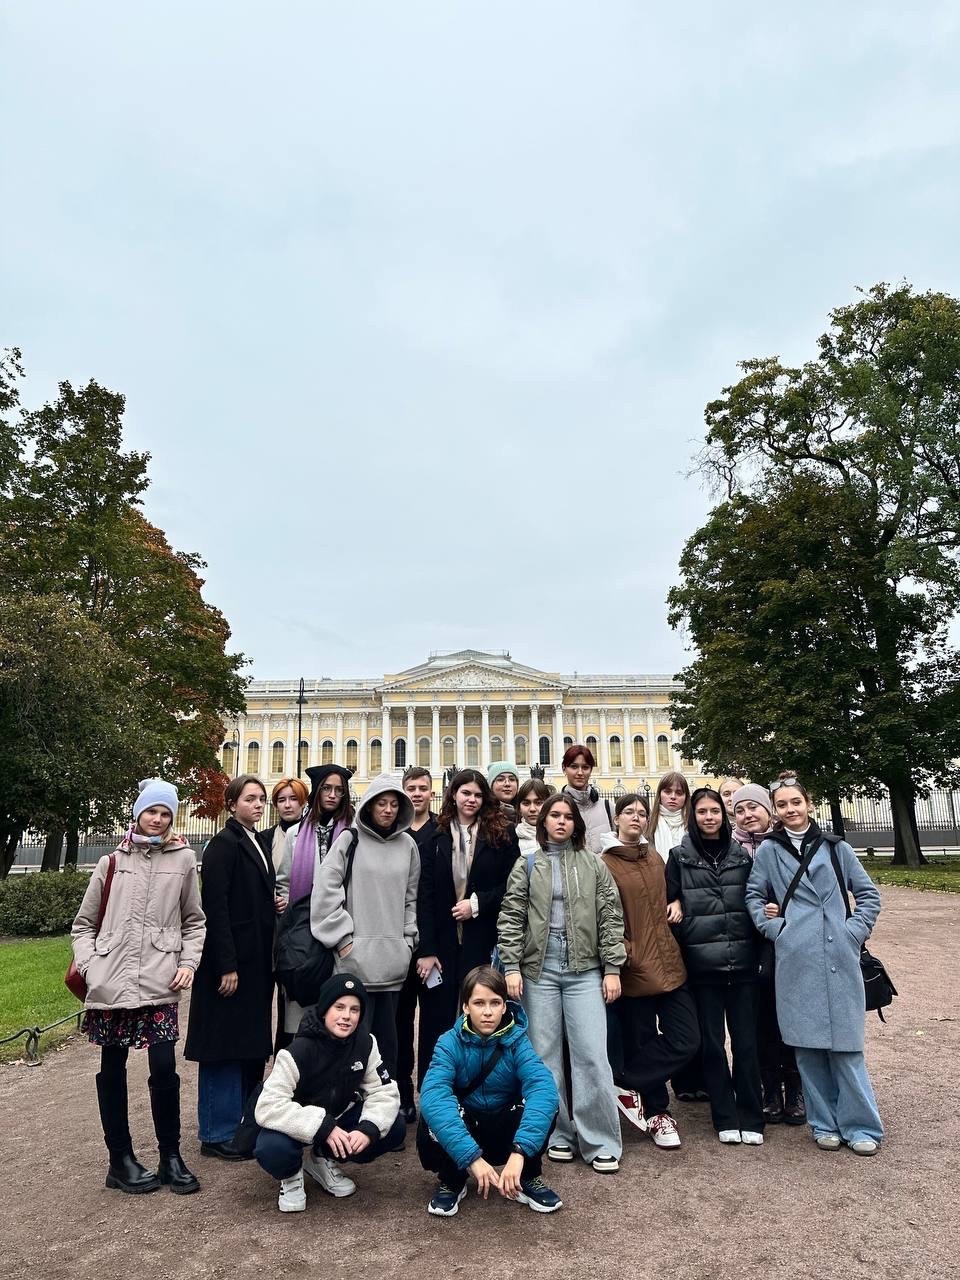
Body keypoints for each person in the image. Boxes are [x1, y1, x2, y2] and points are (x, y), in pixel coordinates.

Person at [71, 779, 206, 1195]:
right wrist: (91, 967)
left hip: (159, 978)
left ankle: (170, 1156)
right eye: (152, 811)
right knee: (112, 1068)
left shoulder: (184, 859)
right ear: (138, 813)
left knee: (164, 1067)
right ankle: (120, 1160)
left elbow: (194, 921)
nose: (158, 819)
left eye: (166, 813)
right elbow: (83, 925)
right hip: (111, 981)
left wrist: (188, 962)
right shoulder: (111, 862)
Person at [746, 773, 883, 1155]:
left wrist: (853, 931)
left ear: (809, 804)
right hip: (797, 957)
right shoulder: (770, 851)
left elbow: (868, 895)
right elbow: (754, 895)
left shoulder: (837, 848)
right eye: (783, 805)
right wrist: (777, 929)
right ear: (776, 811)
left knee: (847, 1049)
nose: (790, 809)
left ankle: (861, 1125)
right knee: (807, 1051)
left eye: (796, 802)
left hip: (838, 953)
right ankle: (824, 1122)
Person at [497, 793, 626, 1172]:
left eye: (568, 816)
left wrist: (613, 968)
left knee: (592, 1055)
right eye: (554, 815)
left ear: (576, 824)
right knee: (544, 1057)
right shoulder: (527, 864)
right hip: (540, 969)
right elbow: (512, 915)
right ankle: (556, 1133)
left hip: (584, 969)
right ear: (544, 822)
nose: (561, 821)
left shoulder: (593, 863)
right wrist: (511, 965)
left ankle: (599, 1139)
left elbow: (610, 914)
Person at [418, 965, 562, 1217]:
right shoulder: (448, 1042)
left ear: (504, 1006)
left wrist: (520, 1152)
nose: (487, 1012)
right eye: (479, 1003)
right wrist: (471, 1158)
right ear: (466, 1006)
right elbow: (433, 1096)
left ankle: (527, 1175)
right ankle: (453, 1179)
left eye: (495, 1003)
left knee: (544, 1101)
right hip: (468, 1129)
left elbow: (544, 1089)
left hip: (504, 1131)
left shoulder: (518, 1041)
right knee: (435, 1111)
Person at [253, 975, 404, 1212]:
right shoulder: (297, 1051)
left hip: (337, 1120)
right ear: (324, 1010)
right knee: (272, 1148)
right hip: (298, 1125)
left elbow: (384, 1091)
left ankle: (322, 1158)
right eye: (339, 1007)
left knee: (393, 1126)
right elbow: (267, 1106)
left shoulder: (366, 1043)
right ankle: (291, 1175)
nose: (347, 1016)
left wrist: (368, 1129)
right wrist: (322, 1126)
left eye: (354, 1009)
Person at [599, 794, 699, 1150]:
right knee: (641, 1039)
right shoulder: (604, 863)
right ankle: (658, 1114)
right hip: (634, 967)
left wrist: (677, 900)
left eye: (642, 813)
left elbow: (669, 894)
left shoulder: (655, 856)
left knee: (687, 1039)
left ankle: (624, 1081)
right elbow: (604, 915)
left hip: (668, 961)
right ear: (616, 819)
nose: (636, 818)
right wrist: (625, 954)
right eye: (629, 812)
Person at [665, 787, 764, 1145]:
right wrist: (677, 905)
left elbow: (755, 898)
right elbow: (668, 901)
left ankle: (751, 1116)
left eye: (715, 811)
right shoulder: (679, 857)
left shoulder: (741, 856)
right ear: (693, 816)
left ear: (724, 815)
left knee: (746, 1044)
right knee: (711, 1045)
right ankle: (724, 1116)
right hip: (703, 966)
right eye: (702, 811)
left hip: (742, 963)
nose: (709, 817)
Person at [184, 774, 276, 1161]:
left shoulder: (255, 841)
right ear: (232, 803)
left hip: (254, 961)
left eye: (261, 799)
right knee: (222, 1046)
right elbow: (215, 907)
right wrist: (226, 964)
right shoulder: (223, 844)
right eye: (250, 798)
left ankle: (242, 1125)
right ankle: (216, 1131)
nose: (258, 805)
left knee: (247, 1044)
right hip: (231, 962)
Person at [311, 772, 420, 1078]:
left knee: (387, 1047)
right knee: (351, 1044)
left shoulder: (408, 845)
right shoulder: (350, 840)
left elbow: (411, 899)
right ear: (370, 805)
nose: (388, 810)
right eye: (382, 803)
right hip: (354, 963)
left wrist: (407, 941)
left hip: (392, 964)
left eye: (394, 804)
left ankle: (385, 1102)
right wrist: (343, 940)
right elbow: (325, 891)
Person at [416, 768, 520, 1084]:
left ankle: (477, 1087)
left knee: (479, 1014)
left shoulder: (501, 833)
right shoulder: (435, 834)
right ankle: (434, 1087)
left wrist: (477, 904)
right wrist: (427, 949)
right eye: (465, 793)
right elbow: (424, 894)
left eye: (477, 794)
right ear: (454, 795)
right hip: (442, 943)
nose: (471, 800)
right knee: (436, 1020)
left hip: (480, 939)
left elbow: (512, 884)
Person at [731, 783, 806, 1127]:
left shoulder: (786, 842)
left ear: (768, 810)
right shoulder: (731, 848)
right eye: (740, 810)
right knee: (759, 1018)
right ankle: (770, 1088)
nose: (748, 815)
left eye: (754, 807)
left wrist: (780, 910)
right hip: (748, 943)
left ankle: (795, 1087)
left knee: (792, 1015)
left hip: (787, 939)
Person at [274, 764, 354, 1042]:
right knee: (302, 1016)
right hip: (303, 932)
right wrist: (285, 903)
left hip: (341, 927)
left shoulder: (353, 832)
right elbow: (284, 880)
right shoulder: (296, 834)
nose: (333, 795)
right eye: (327, 789)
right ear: (317, 792)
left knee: (339, 1006)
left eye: (339, 790)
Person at [395, 765, 438, 1123]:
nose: (417, 793)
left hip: (433, 944)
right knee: (399, 1022)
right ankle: (401, 1093)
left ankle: (433, 1096)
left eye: (422, 788)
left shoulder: (442, 830)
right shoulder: (394, 832)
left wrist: (429, 948)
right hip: (399, 942)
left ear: (431, 793)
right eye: (411, 788)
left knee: (435, 1025)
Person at [264, 776, 308, 1054]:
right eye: (282, 800)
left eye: (293, 799)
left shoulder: (311, 834)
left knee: (295, 999)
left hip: (300, 928)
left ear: (303, 802)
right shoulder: (266, 838)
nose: (288, 805)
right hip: (272, 928)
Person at [559, 744, 613, 854]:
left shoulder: (608, 807)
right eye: (574, 767)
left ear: (591, 770)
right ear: (564, 769)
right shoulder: (557, 809)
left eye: (585, 767)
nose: (580, 773)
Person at [647, 772, 691, 863]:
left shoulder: (694, 823)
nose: (673, 797)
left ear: (685, 797)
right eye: (667, 792)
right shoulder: (648, 823)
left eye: (679, 793)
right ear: (660, 794)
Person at [515, 779, 554, 854]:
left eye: (538, 803)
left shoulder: (559, 837)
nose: (532, 809)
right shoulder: (511, 839)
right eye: (526, 803)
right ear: (519, 808)